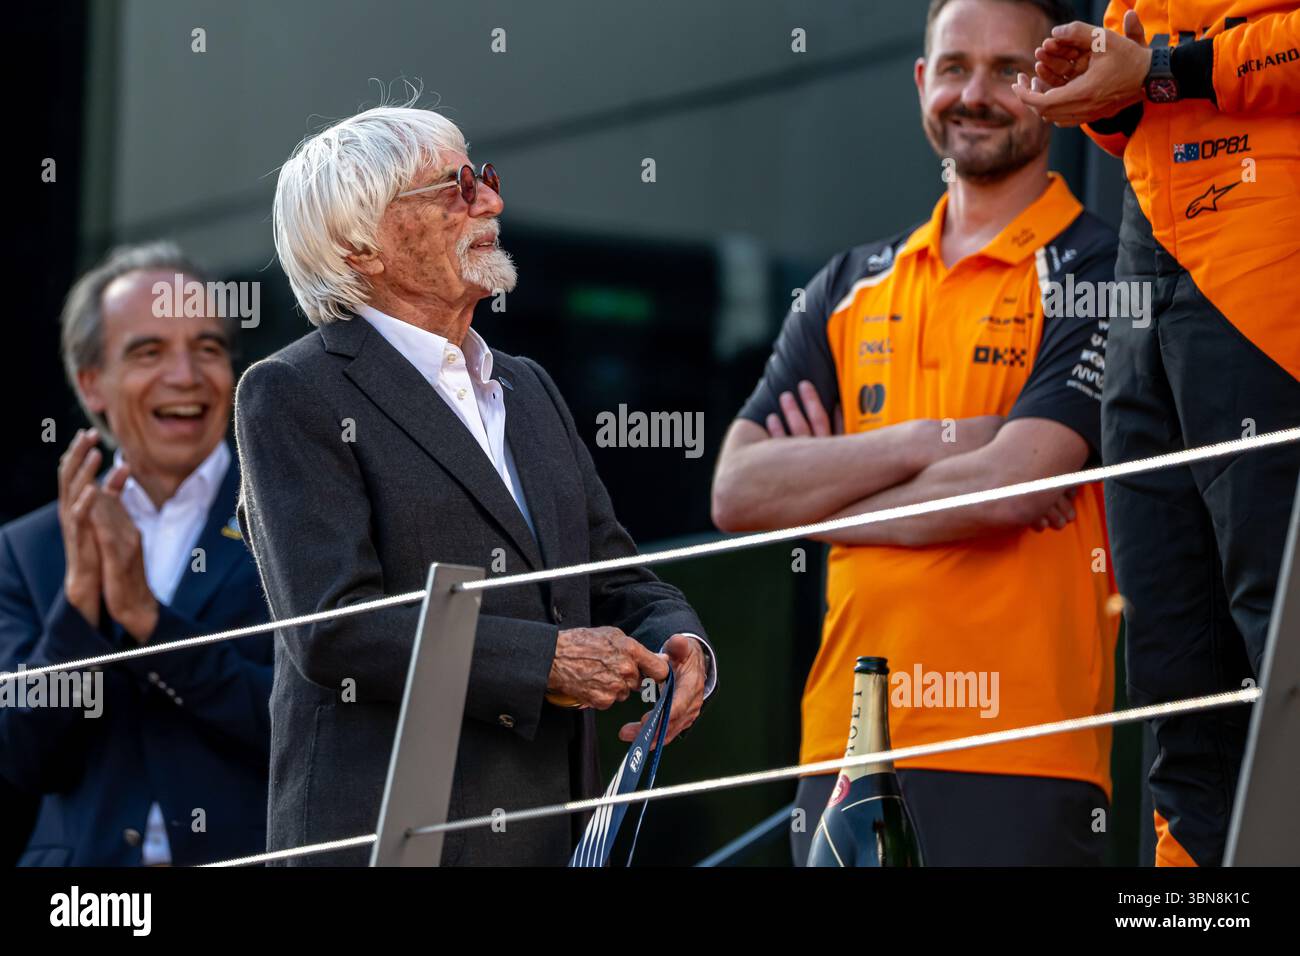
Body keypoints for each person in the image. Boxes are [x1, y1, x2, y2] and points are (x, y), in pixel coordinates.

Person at [236, 104, 717, 866]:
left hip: (555, 835)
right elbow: (335, 627)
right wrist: (545, 661)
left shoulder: (527, 386)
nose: (489, 202)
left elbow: (613, 574)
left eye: (483, 178)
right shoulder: (294, 391)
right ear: (361, 245)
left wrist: (679, 643)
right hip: (393, 843)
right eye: (454, 188)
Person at [712, 0, 1120, 865]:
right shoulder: (845, 285)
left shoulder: (1098, 268)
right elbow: (738, 489)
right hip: (841, 747)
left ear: (1052, 86)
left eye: (1010, 69)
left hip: (1021, 747)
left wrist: (820, 496)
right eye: (953, 66)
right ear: (920, 82)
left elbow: (1017, 485)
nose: (976, 93)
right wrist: (936, 440)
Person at [1015, 0, 1300, 867]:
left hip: (1271, 266)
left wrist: (1165, 69)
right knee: (1176, 676)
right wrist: (1109, 93)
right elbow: (1153, 93)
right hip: (1153, 257)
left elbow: (1185, 66)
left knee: (1280, 649)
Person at [0, 242, 272, 865]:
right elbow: (21, 757)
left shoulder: (290, 519)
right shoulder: (29, 548)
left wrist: (150, 623)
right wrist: (78, 606)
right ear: (92, 384)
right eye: (149, 352)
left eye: (207, 348)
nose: (186, 375)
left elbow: (310, 723)